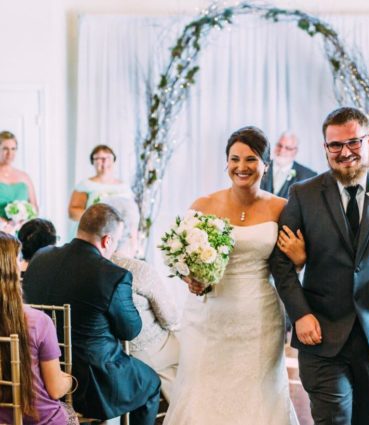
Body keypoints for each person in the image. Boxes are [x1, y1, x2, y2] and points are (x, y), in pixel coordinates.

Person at [270, 106, 369, 425]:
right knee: (334, 418)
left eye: (353, 142)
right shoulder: (303, 194)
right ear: (325, 148)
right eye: (335, 145)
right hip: (321, 334)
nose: (345, 152)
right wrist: (300, 314)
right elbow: (281, 263)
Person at [164, 126, 299, 425]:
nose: (241, 167)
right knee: (203, 393)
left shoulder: (282, 208)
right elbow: (183, 260)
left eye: (251, 159)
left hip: (259, 319)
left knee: (258, 397)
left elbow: (289, 265)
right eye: (234, 159)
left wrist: (300, 260)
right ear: (226, 163)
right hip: (208, 320)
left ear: (265, 164)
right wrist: (192, 279)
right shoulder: (203, 206)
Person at [23, 204, 161, 424]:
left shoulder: (41, 258)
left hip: (39, 373)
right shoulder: (112, 275)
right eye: (115, 243)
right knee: (151, 383)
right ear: (107, 241)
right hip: (90, 385)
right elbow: (130, 330)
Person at [0, 232, 78, 425]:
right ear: (11, 269)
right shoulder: (38, 321)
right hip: (41, 420)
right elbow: (55, 389)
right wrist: (70, 379)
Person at [108, 196, 180, 402]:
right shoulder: (139, 269)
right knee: (194, 350)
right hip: (143, 353)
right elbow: (170, 317)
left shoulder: (96, 266)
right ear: (131, 233)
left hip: (113, 352)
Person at [68, 144, 133, 223]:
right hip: (92, 231)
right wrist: (96, 219)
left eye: (108, 157)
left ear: (114, 160)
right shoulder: (85, 185)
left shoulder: (124, 187)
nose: (104, 161)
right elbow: (73, 212)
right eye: (99, 158)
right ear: (93, 161)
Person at [261, 131, 317, 199]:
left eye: (287, 148)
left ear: (295, 151)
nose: (282, 150)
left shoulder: (308, 177)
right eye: (279, 145)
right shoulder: (260, 168)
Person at [0, 131, 38, 228]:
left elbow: (34, 207)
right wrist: (5, 225)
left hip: (22, 231)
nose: (10, 153)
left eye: (13, 149)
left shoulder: (24, 177)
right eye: (5, 149)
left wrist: (23, 222)